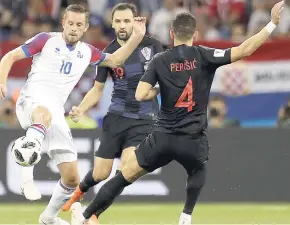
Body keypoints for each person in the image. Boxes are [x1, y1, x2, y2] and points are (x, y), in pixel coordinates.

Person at [70, 1, 284, 225]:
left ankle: (87, 216)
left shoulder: (160, 60)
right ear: (195, 34)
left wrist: (158, 89)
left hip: (163, 137)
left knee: (124, 176)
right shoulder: (204, 55)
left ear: (172, 33)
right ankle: (186, 215)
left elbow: (141, 94)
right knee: (198, 168)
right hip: (192, 137)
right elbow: (244, 49)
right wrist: (271, 24)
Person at [0, 4, 146, 225]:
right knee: (43, 113)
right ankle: (26, 173)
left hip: (55, 113)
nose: (74, 28)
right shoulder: (45, 40)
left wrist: (137, 37)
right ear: (63, 23)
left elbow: (116, 60)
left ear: (85, 27)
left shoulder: (87, 52)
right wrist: (2, 81)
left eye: (79, 25)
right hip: (31, 101)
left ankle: (48, 218)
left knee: (72, 178)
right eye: (70, 23)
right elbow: (9, 56)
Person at [62, 2, 163, 211]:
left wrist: (155, 91)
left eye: (127, 20)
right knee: (100, 173)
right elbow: (97, 89)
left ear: (135, 22)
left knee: (126, 168)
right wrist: (81, 108)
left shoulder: (153, 46)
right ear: (113, 24)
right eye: (118, 21)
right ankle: (78, 194)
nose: (123, 25)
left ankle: (92, 214)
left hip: (144, 119)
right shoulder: (108, 53)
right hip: (116, 117)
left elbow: (164, 81)